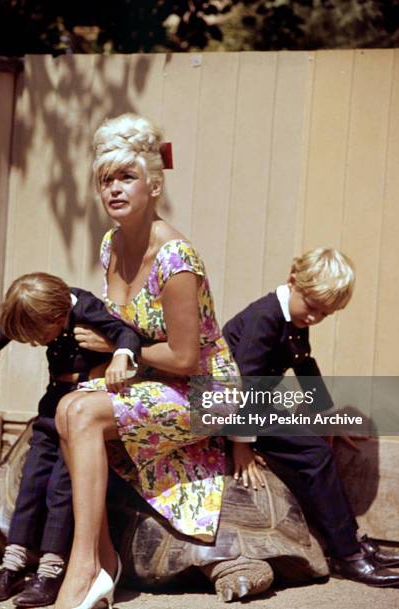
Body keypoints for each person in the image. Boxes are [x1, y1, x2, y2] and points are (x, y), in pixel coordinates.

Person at [52, 114, 243, 609]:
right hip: (151, 377)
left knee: (86, 412)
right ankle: (105, 557)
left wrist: (111, 349)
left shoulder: (176, 259)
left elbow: (184, 356)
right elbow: (122, 332)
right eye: (104, 180)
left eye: (126, 177)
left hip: (205, 389)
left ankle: (84, 567)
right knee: (66, 409)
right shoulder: (110, 246)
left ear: (154, 185)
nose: (113, 190)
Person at [222, 248, 399, 587]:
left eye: (323, 314)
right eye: (311, 307)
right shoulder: (264, 319)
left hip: (254, 402)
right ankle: (346, 554)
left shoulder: (291, 318)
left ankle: (349, 537)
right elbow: (246, 386)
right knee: (315, 454)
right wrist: (241, 445)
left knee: (318, 441)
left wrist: (327, 416)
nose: (313, 319)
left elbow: (305, 365)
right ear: (292, 281)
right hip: (225, 406)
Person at [0, 272, 141, 607]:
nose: (33, 343)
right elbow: (9, 326)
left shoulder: (85, 307)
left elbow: (124, 332)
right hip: (52, 400)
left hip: (82, 402)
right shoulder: (43, 310)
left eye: (36, 338)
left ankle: (52, 569)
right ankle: (14, 563)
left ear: (58, 319)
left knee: (62, 488)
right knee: (32, 481)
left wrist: (119, 356)